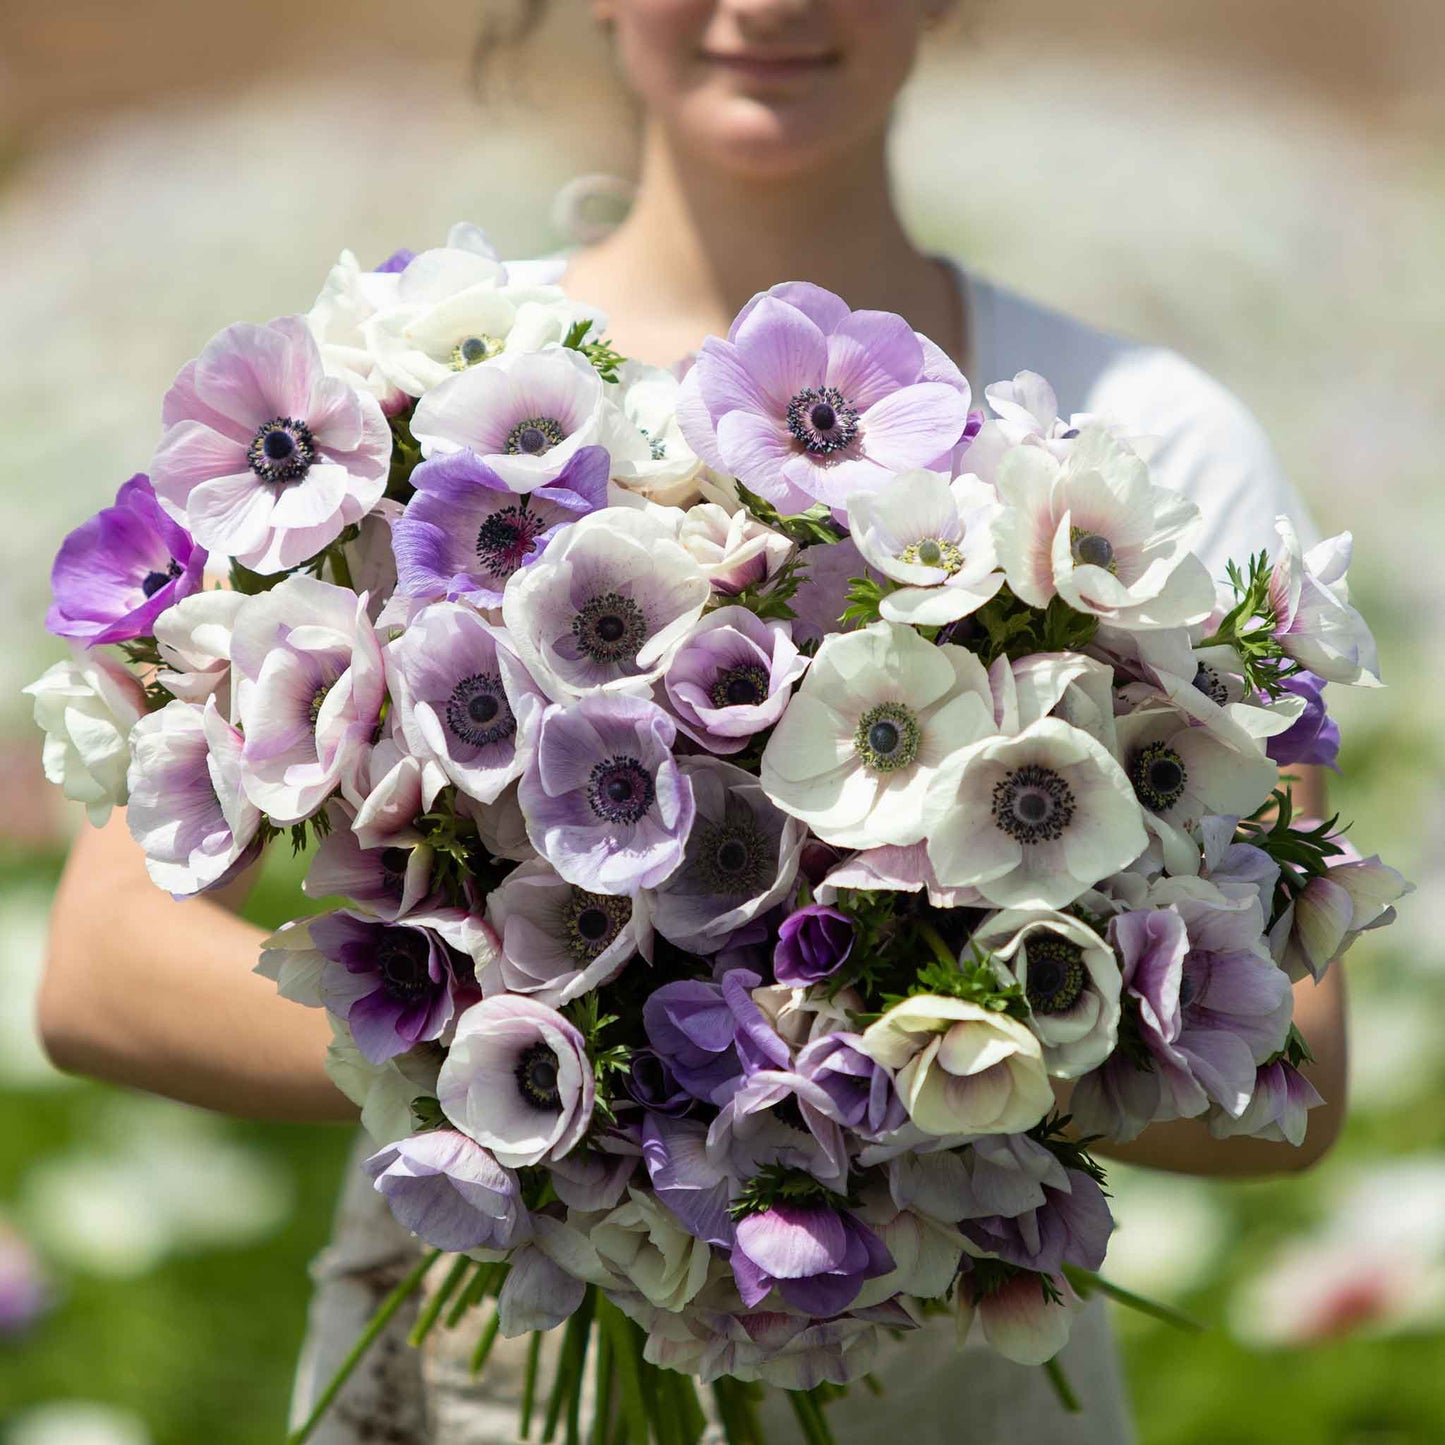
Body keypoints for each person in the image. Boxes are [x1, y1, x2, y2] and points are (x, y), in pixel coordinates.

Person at [37, 2, 1347, 1441]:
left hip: (935, 1380)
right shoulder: (406, 381)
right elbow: (101, 965)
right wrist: (541, 1090)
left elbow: (1292, 1049)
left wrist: (866, 1085)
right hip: (482, 1351)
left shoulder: (1140, 441)